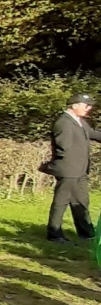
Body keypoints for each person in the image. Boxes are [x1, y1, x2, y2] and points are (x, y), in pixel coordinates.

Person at [46, 92, 101, 243]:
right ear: (75, 105)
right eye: (86, 105)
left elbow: (94, 134)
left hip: (80, 170)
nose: (89, 108)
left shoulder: (80, 121)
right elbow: (63, 147)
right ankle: (54, 234)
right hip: (69, 169)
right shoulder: (63, 122)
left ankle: (87, 234)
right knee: (61, 202)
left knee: (81, 201)